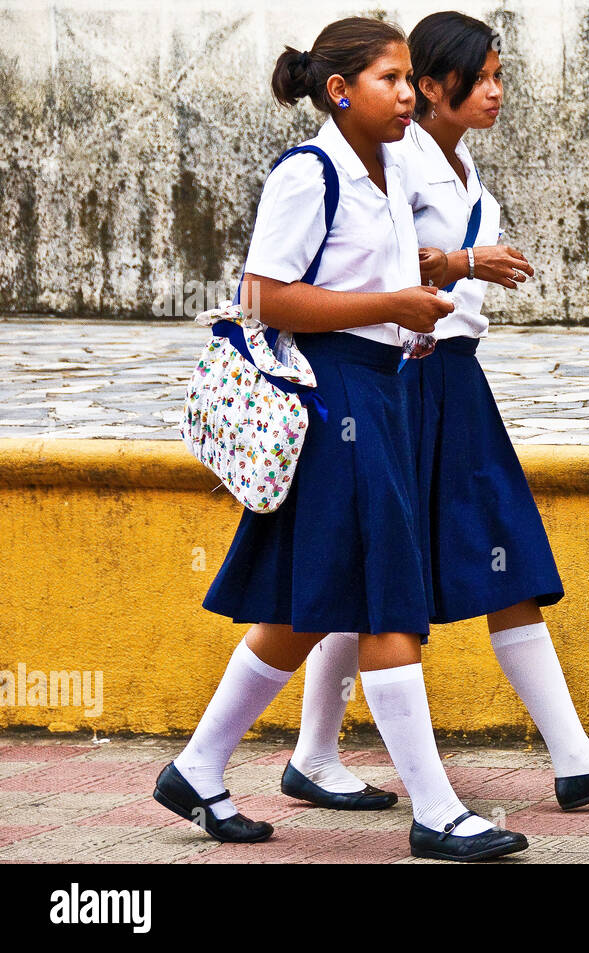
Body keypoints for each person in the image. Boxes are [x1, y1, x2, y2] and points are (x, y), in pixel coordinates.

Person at [153, 15, 529, 861]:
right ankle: (436, 810)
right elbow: (264, 295)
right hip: (335, 398)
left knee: (302, 609)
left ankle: (198, 766)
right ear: (338, 91)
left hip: (384, 390)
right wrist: (388, 308)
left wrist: (427, 301)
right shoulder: (308, 173)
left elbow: (395, 269)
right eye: (392, 80)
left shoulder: (386, 171)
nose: (408, 94)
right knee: (390, 600)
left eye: (409, 79)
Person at [283, 11, 589, 817]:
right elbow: (372, 255)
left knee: (507, 551)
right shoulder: (392, 158)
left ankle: (571, 753)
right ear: (431, 86)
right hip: (400, 379)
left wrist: (467, 260)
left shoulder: (467, 173)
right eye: (482, 77)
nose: (496, 92)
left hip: (456, 381)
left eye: (502, 77)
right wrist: (467, 260)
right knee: (365, 572)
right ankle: (314, 754)